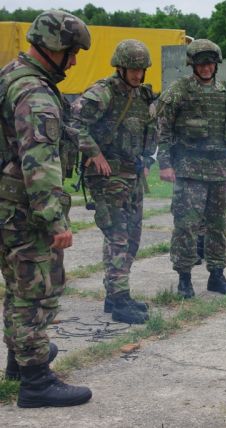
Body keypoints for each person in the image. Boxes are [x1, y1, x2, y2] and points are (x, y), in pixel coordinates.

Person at [0, 10, 92, 407]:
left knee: (17, 285)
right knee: (38, 290)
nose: (73, 62)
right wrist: (55, 218)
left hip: (7, 206)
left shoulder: (10, 75)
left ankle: (20, 363)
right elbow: (38, 162)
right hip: (25, 210)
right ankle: (36, 383)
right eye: (72, 53)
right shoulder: (35, 93)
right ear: (54, 47)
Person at [156, 39, 226, 298]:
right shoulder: (179, 91)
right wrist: (165, 164)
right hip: (189, 171)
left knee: (219, 225)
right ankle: (184, 279)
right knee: (186, 226)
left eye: (210, 63)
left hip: (221, 170)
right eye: (201, 64)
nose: (206, 68)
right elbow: (163, 129)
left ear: (216, 65)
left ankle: (217, 275)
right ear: (193, 65)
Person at [69, 39, 157, 324]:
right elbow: (73, 123)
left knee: (133, 237)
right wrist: (94, 153)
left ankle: (115, 293)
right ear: (120, 67)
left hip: (133, 173)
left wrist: (147, 161)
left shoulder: (143, 96)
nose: (138, 74)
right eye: (133, 69)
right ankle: (120, 300)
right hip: (107, 177)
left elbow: (150, 131)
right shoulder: (102, 93)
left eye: (141, 69)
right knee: (118, 235)